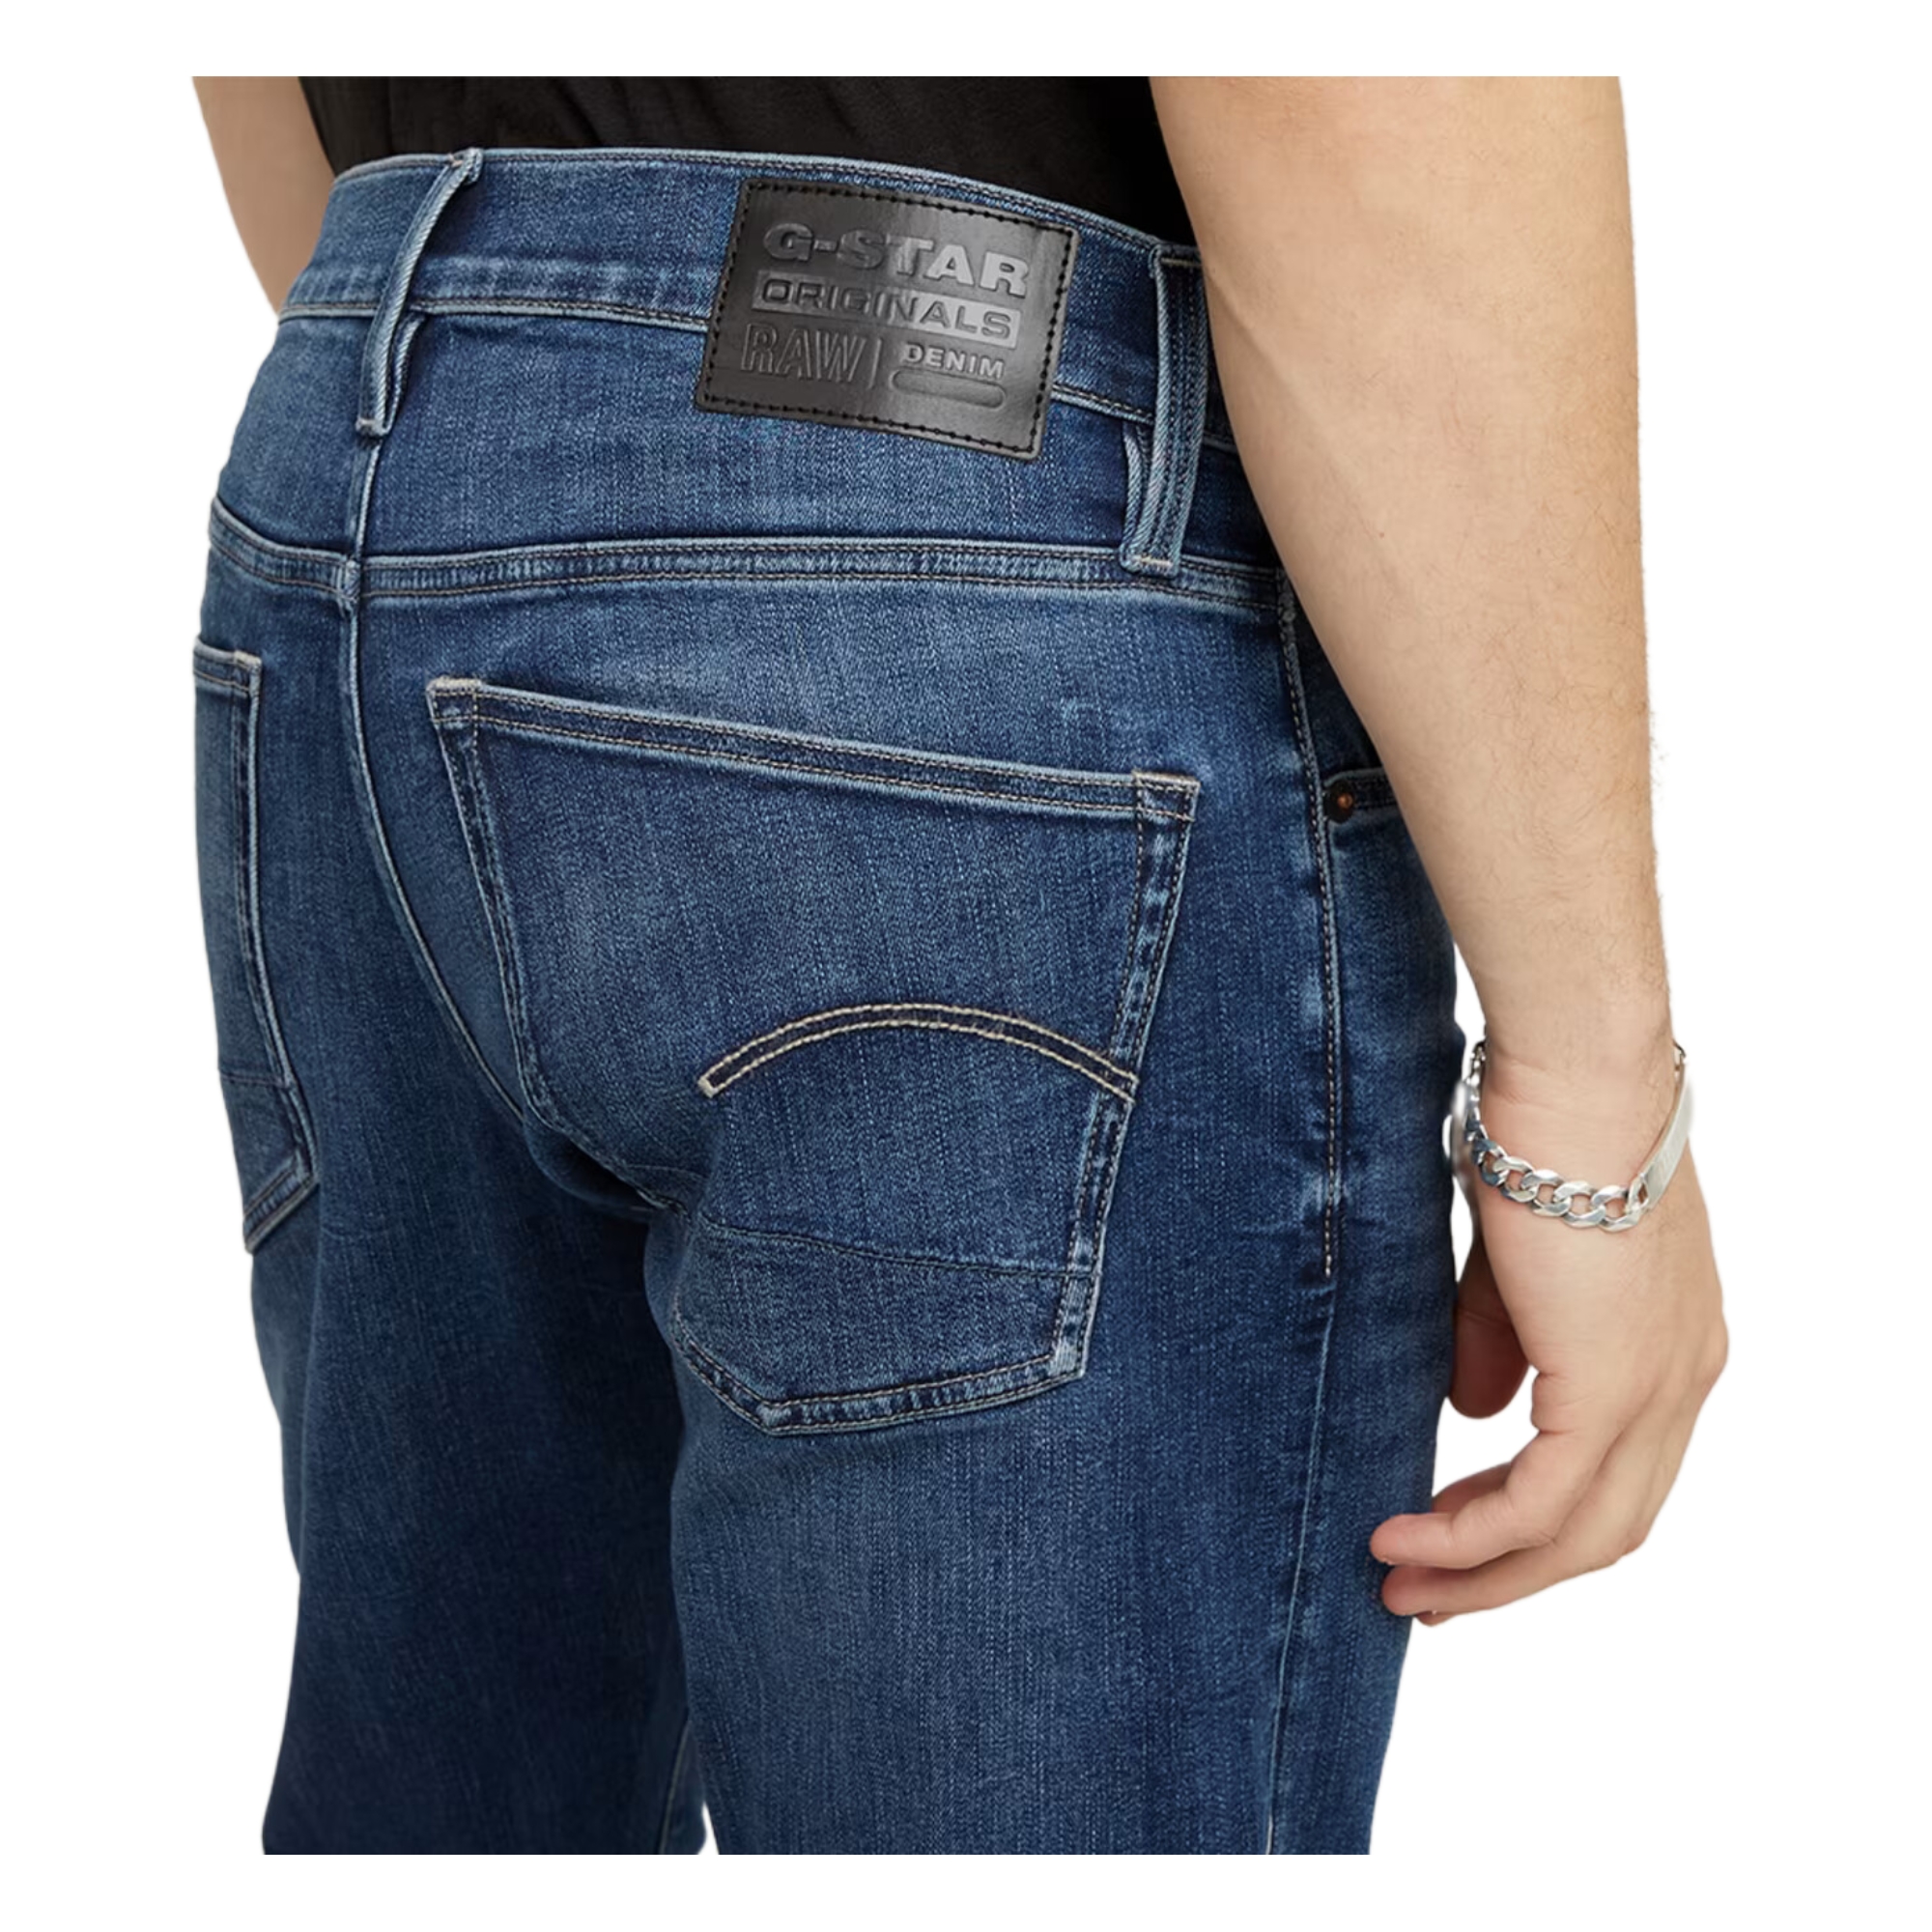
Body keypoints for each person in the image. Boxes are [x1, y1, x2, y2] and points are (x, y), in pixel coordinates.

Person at [188, 76, 1726, 1855]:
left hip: (363, 480)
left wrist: (546, 386)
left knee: (456, 1803)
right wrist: (1588, 1089)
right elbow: (1351, 87)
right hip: (959, 491)